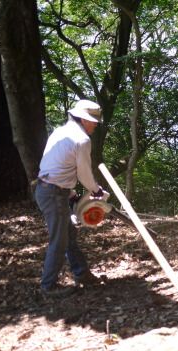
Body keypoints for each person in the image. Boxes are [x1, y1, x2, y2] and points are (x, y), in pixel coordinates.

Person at [34, 99, 106, 298]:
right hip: (53, 193)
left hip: (50, 189)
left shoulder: (59, 132)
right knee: (59, 240)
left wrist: (71, 193)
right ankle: (48, 286)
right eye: (93, 121)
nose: (95, 125)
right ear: (82, 119)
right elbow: (84, 174)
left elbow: (56, 165)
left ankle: (81, 273)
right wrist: (95, 190)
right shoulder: (81, 140)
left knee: (68, 236)